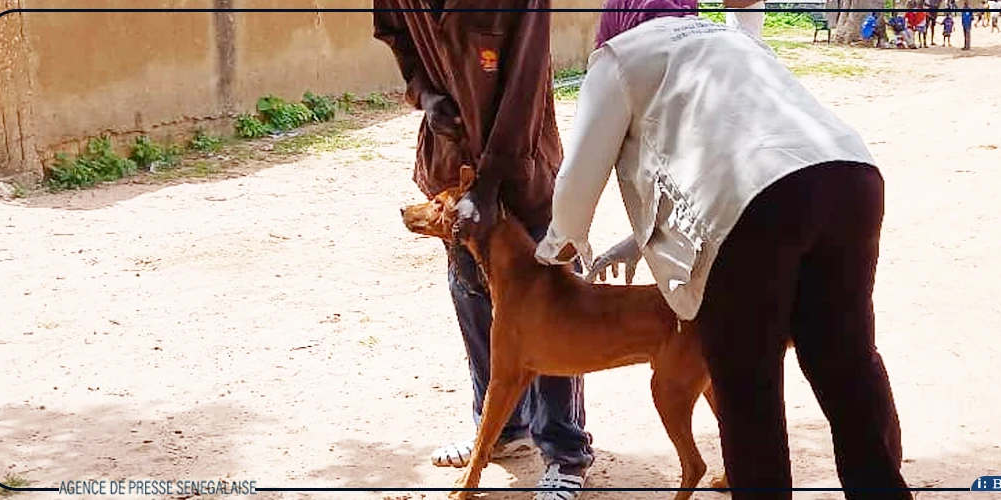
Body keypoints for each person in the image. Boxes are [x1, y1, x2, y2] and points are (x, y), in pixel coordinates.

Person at [533, 0, 911, 498]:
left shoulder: (620, 56)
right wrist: (636, 243)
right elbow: (729, 147)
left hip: (756, 210)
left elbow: (577, 186)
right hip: (849, 176)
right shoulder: (726, 40)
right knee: (845, 360)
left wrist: (554, 251)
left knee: (747, 386)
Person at [371, 2, 597, 497]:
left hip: (521, 165)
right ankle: (502, 429)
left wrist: (491, 179)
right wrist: (426, 96)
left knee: (551, 302)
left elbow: (527, 80)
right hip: (451, 161)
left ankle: (565, 450)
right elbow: (396, 36)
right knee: (473, 292)